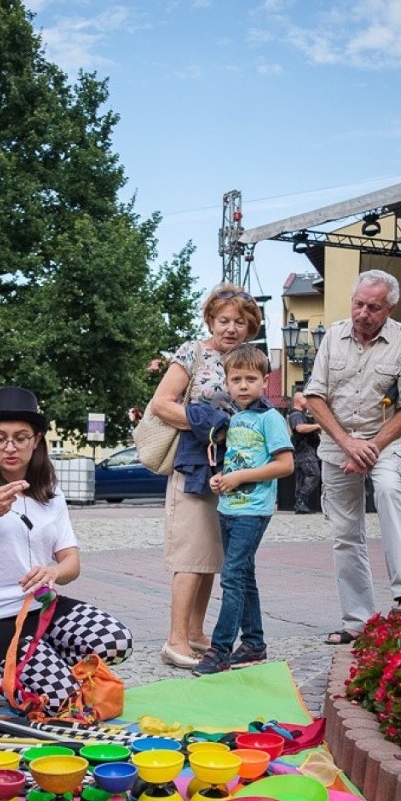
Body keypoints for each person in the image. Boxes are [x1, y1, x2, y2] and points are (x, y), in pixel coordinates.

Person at [0, 386, 133, 713]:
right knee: (61, 702)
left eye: (21, 437)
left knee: (116, 641)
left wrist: (54, 571)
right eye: (0, 438)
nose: (10, 447)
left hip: (39, 606)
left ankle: (38, 664)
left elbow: (71, 561)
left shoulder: (50, 491)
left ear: (37, 439)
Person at [304, 269, 401, 645]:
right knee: (345, 533)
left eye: (373, 307)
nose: (363, 313)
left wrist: (369, 447)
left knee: (389, 489)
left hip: (385, 440)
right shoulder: (333, 337)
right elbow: (315, 398)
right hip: (337, 444)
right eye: (358, 304)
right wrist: (348, 444)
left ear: (390, 308)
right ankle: (358, 621)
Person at [148, 285, 262, 669]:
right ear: (211, 320)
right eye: (224, 320)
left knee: (212, 553)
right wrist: (212, 425)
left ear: (251, 327)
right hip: (195, 462)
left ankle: (196, 632)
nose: (231, 328)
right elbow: (161, 404)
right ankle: (175, 639)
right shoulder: (193, 352)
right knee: (190, 552)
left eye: (240, 322)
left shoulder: (249, 360)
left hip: (231, 467)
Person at [188, 345, 293, 676]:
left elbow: (285, 465)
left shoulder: (270, 418)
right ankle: (253, 645)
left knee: (232, 576)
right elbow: (238, 461)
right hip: (229, 507)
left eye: (251, 379)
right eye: (237, 379)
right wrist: (223, 478)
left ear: (265, 381)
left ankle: (220, 650)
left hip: (253, 510)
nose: (243, 385)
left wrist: (239, 477)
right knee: (243, 575)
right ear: (227, 383)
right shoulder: (234, 418)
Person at [288, 390, 321, 513]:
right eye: (305, 398)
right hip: (304, 450)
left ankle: (300, 504)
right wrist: (318, 426)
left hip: (304, 449)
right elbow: (300, 428)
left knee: (302, 477)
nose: (307, 401)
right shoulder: (296, 415)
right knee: (313, 474)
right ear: (298, 400)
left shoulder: (301, 414)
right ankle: (301, 500)